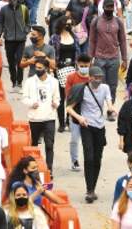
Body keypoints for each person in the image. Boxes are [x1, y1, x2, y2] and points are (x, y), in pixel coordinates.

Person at [66, 65, 115, 203]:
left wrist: (111, 109)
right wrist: (80, 118)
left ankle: (93, 188)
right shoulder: (82, 89)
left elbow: (109, 102)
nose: (98, 80)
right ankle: (89, 190)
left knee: (98, 158)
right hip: (86, 126)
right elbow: (69, 108)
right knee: (89, 157)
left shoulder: (105, 88)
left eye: (100, 78)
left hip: (100, 126)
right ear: (90, 77)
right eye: (95, 77)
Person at [21, 55, 59, 169]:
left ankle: (49, 168)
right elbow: (24, 98)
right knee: (34, 145)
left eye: (40, 68)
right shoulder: (29, 82)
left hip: (49, 117)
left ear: (46, 69)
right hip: (35, 118)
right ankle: (33, 167)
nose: (37, 70)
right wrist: (32, 103)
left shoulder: (54, 82)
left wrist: (55, 103)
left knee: (49, 145)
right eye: (36, 67)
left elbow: (57, 98)